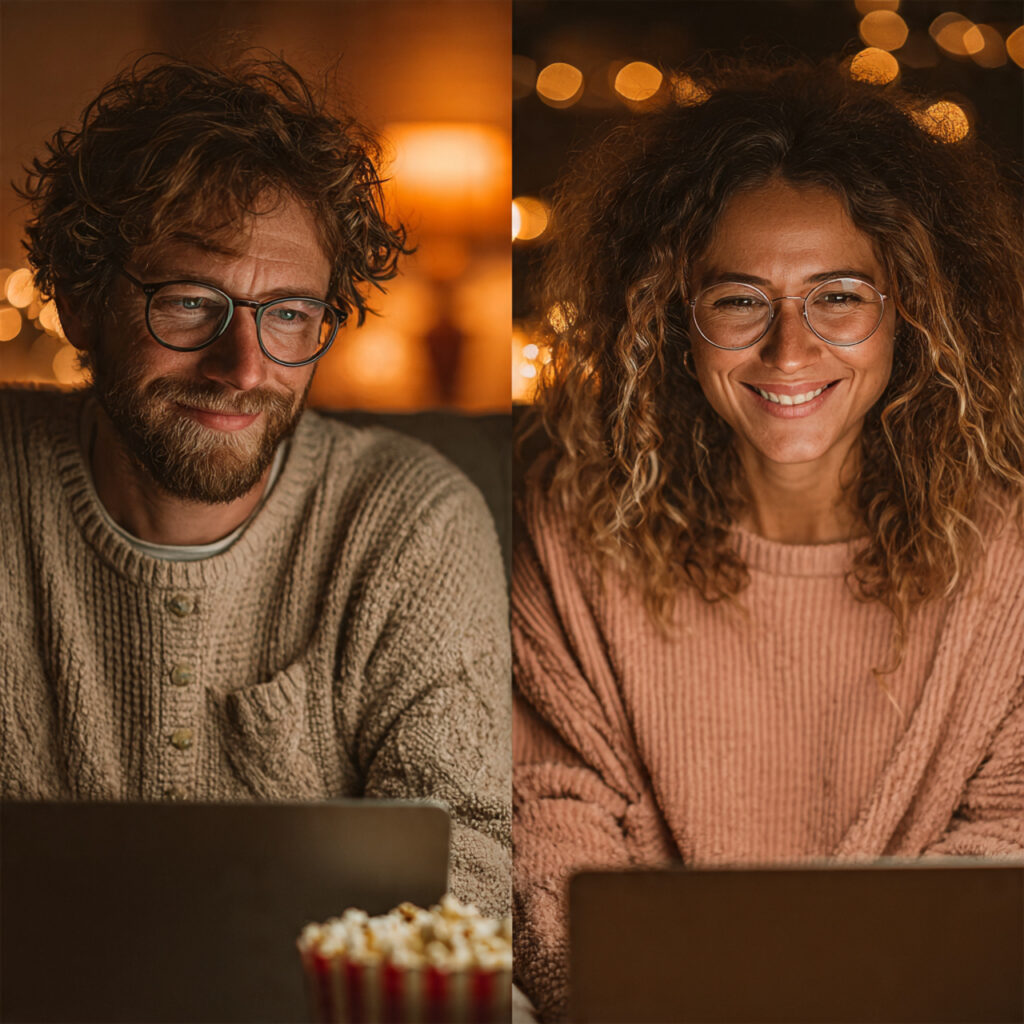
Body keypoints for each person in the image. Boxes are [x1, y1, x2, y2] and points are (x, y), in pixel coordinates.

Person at [513, 60, 1024, 1019]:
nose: (790, 352)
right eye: (740, 299)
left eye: (838, 296)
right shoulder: (567, 530)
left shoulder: (1013, 556)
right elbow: (552, 835)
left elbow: (1005, 855)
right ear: (675, 318)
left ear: (905, 310)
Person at [0, 56, 510, 917]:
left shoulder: (407, 521)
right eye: (192, 301)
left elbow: (470, 883)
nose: (244, 368)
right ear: (82, 301)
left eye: (287, 313)